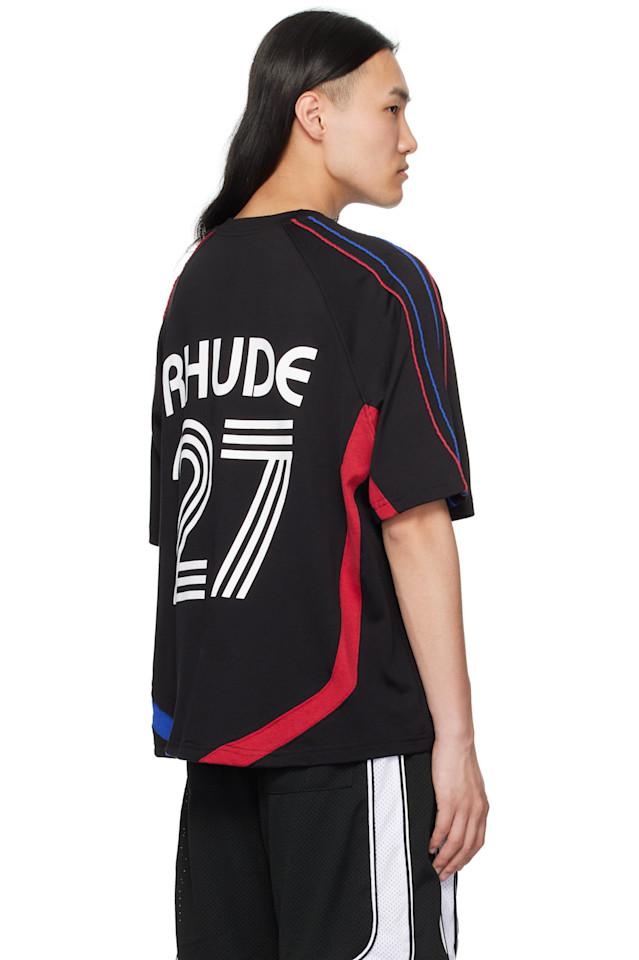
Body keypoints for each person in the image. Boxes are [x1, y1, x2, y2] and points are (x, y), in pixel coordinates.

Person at [148, 9, 489, 959]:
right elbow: (411, 521)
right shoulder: (379, 283)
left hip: (214, 745)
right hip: (348, 736)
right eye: (392, 107)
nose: (409, 138)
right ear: (313, 114)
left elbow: (178, 528)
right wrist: (456, 744)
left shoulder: (192, 285)